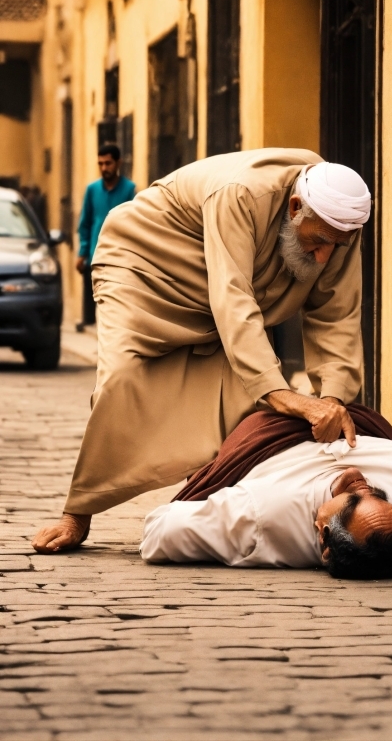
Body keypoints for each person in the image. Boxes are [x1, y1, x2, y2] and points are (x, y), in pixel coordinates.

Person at [32, 149, 372, 554]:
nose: (324, 256)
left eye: (337, 245)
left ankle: (212, 497)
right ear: (296, 207)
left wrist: (331, 399)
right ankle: (79, 512)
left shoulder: (338, 221)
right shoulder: (241, 193)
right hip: (145, 272)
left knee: (245, 400)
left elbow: (336, 315)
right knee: (122, 380)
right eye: (318, 242)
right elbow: (233, 300)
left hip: (222, 298)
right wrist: (287, 396)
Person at [139, 424, 392, 579]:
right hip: (358, 419)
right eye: (379, 495)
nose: (362, 482)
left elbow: (158, 532)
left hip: (270, 435)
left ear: (323, 538)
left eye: (352, 500)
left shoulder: (261, 516)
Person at [75, 144, 136, 331]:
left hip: (119, 257)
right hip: (95, 254)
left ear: (118, 163)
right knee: (93, 302)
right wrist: (82, 252)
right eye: (100, 163)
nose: (104, 168)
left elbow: (133, 222)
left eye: (108, 163)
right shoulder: (92, 190)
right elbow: (85, 223)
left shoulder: (129, 189)